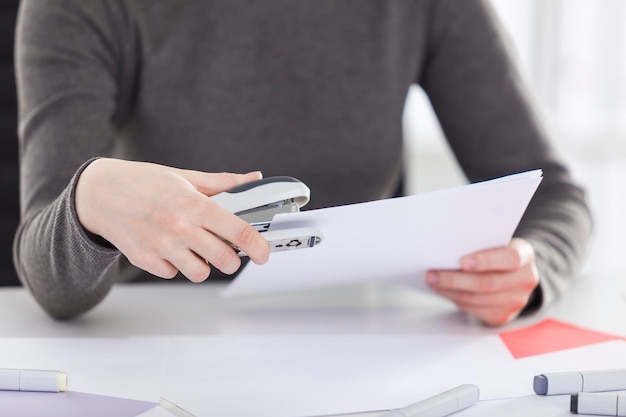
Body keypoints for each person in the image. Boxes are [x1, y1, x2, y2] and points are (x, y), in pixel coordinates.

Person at [13, 0, 592, 325]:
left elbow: (555, 196)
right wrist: (88, 203)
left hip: (365, 337)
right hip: (159, 332)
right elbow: (51, 281)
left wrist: (531, 264)